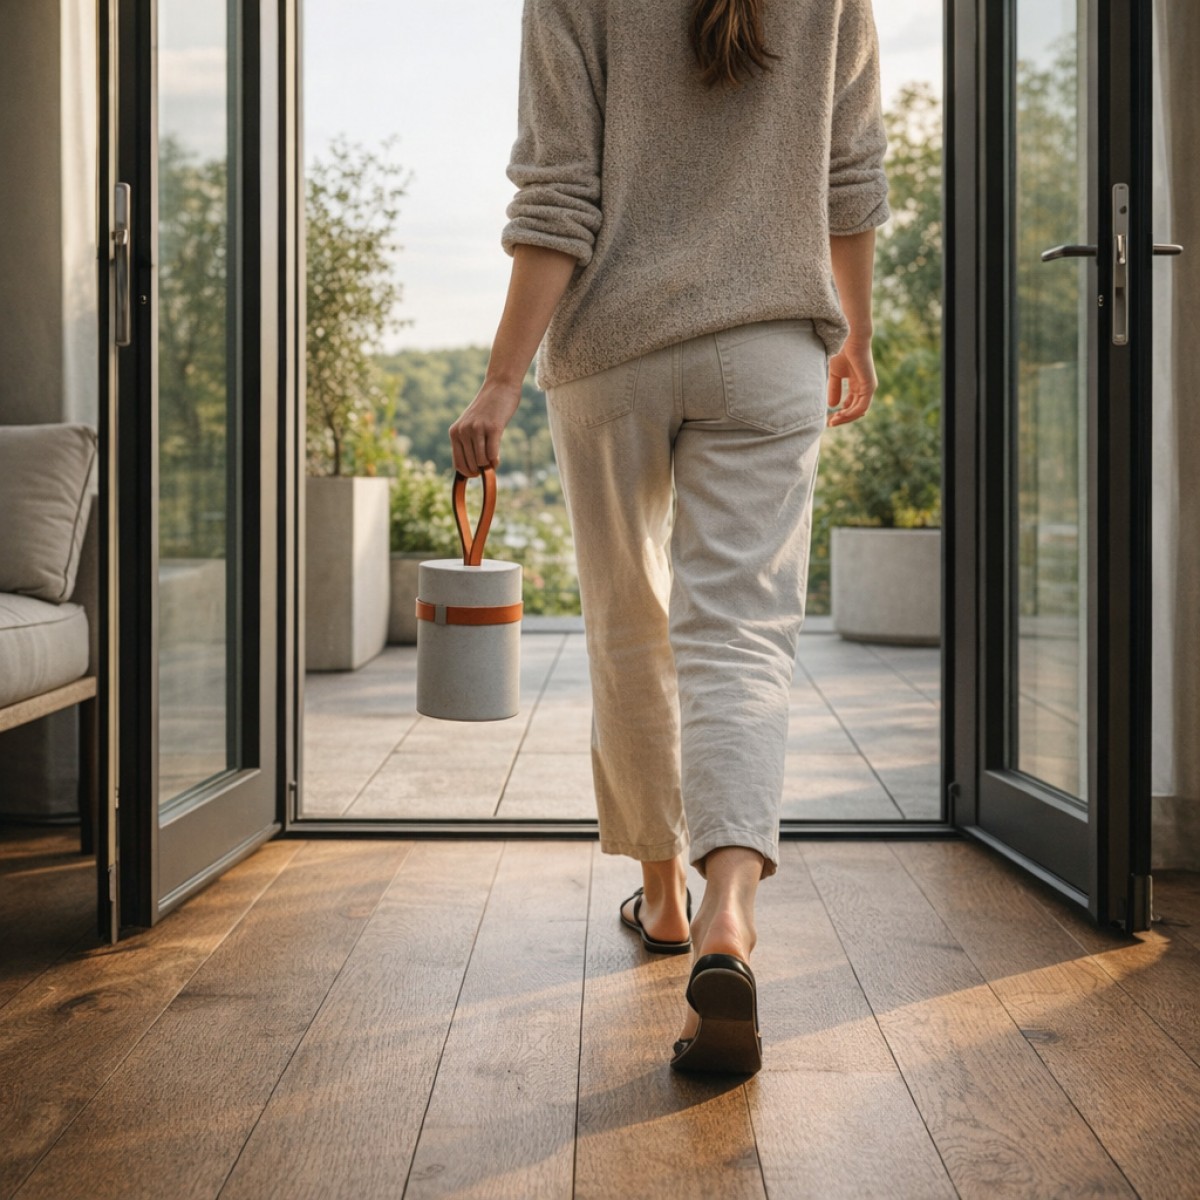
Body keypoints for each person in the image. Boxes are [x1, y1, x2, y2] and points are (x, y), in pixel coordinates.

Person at [450, 0, 889, 1075]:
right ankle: (729, 910)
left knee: (630, 628)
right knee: (740, 634)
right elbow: (853, 174)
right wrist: (857, 333)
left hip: (614, 353)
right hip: (774, 347)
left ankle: (661, 897)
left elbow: (556, 193)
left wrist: (501, 382)